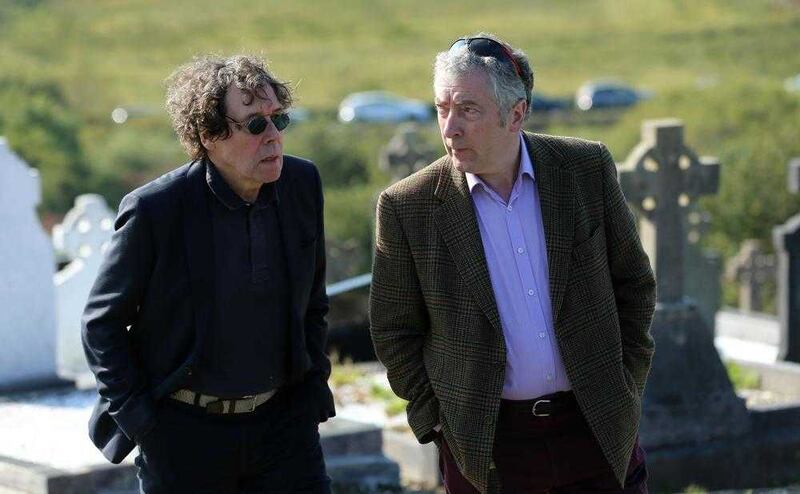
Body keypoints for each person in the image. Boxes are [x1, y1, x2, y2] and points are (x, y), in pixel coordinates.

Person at [369, 34, 656, 493]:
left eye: (468, 109)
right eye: (442, 108)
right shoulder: (409, 208)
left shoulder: (584, 169)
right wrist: (440, 425)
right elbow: (394, 332)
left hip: (596, 430)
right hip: (487, 450)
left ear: (516, 113)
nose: (450, 128)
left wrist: (626, 383)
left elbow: (634, 284)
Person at [82, 54, 334, 493]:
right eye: (255, 125)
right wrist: (145, 424)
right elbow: (101, 326)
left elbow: (313, 301)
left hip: (284, 428)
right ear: (208, 135)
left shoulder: (302, 184)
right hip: (183, 436)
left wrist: (312, 389)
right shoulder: (156, 211)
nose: (274, 137)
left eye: (279, 119)